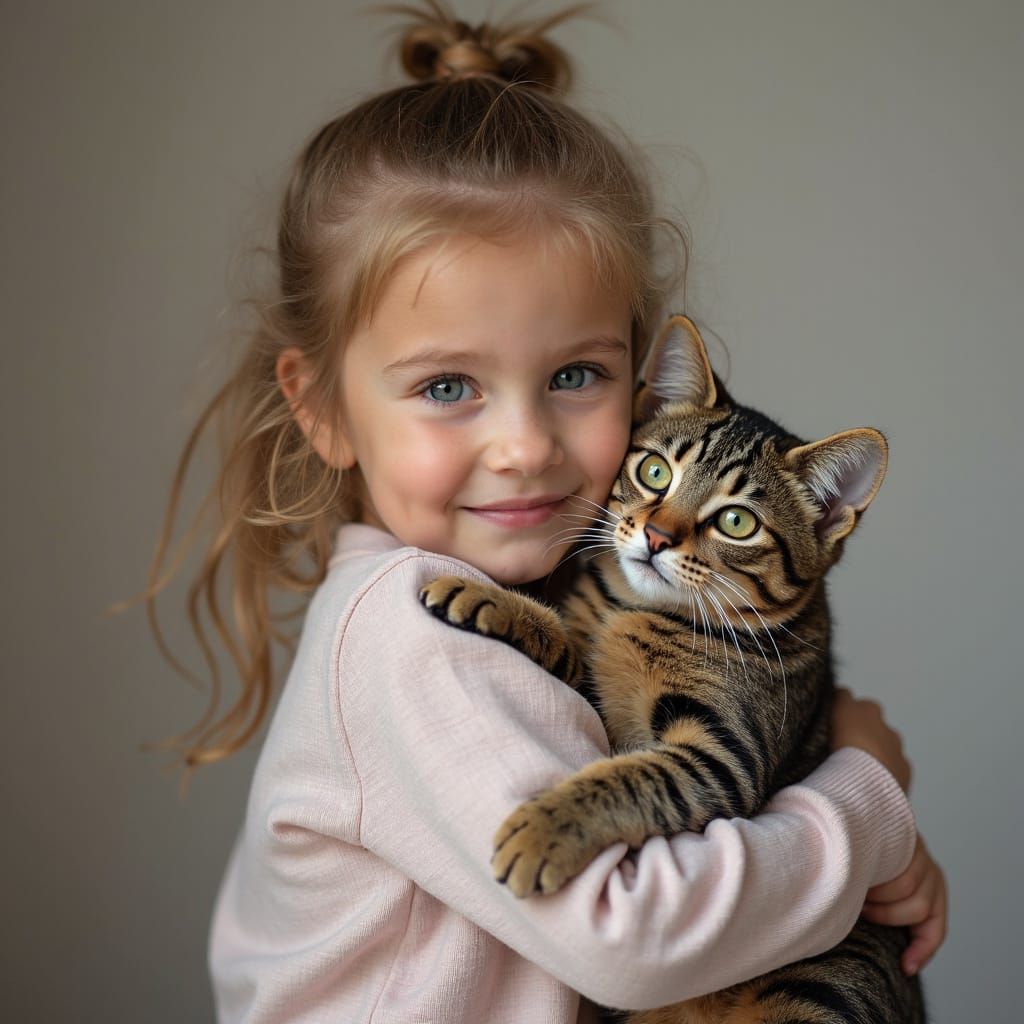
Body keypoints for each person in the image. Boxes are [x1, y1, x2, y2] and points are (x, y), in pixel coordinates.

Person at [146, 4, 946, 1021]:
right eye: (447, 386)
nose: (524, 446)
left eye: (574, 373)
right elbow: (632, 936)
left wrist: (853, 809)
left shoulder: (542, 579)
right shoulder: (412, 632)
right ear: (322, 410)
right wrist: (865, 802)